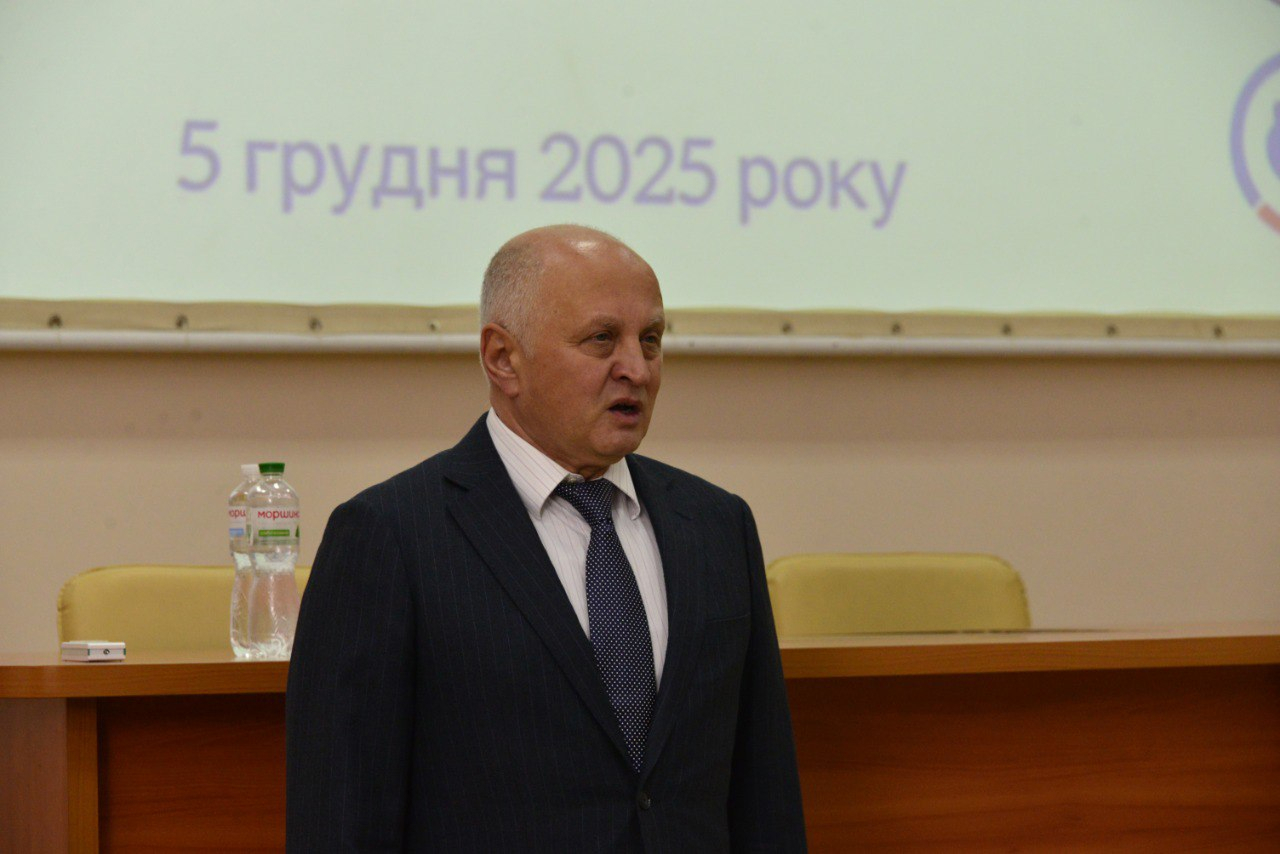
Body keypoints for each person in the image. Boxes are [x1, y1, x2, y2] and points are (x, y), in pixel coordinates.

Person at [286, 225, 807, 852]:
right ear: (503, 358)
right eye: (601, 340)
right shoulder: (390, 536)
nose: (637, 370)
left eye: (650, 340)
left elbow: (765, 795)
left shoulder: (718, 525)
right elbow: (342, 813)